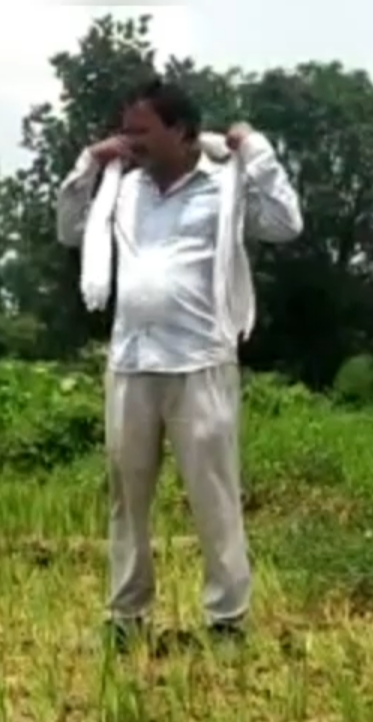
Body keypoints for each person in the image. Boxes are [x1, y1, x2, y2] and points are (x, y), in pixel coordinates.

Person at [55, 78, 303, 649]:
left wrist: (257, 149)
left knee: (213, 494)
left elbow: (287, 224)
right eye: (126, 130)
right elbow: (70, 230)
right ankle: (126, 618)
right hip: (131, 361)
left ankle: (227, 621)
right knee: (126, 498)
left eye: (141, 131)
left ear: (182, 131)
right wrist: (87, 164)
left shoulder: (226, 184)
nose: (129, 141)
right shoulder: (121, 186)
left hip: (201, 362)